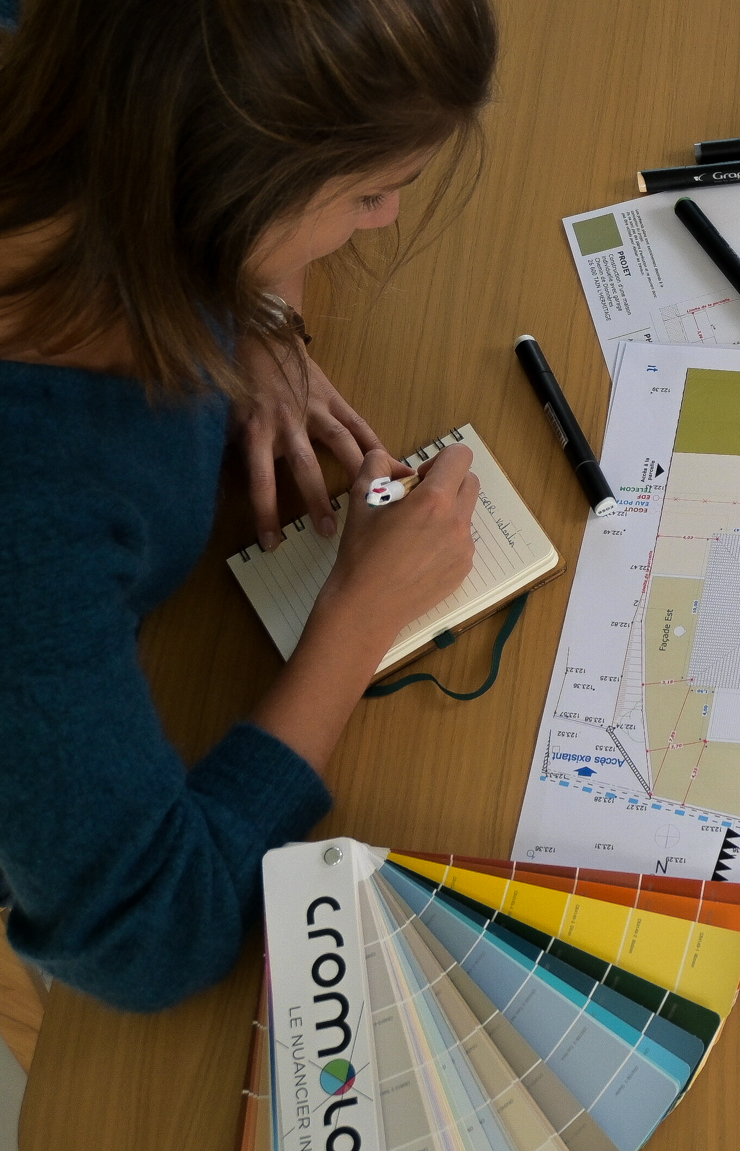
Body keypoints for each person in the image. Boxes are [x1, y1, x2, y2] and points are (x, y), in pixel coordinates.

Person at [0, 0, 497, 1011]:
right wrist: (357, 614)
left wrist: (255, 312)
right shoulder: (35, 511)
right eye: (368, 194)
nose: (383, 221)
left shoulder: (72, 79)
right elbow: (144, 931)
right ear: (224, 192)